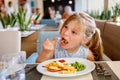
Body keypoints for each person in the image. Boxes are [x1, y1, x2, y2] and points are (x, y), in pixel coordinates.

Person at [36, 12, 103, 63]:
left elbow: (92, 69)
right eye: (66, 27)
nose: (65, 33)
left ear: (84, 40)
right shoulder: (54, 45)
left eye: (73, 32)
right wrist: (46, 51)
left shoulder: (86, 53)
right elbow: (38, 64)